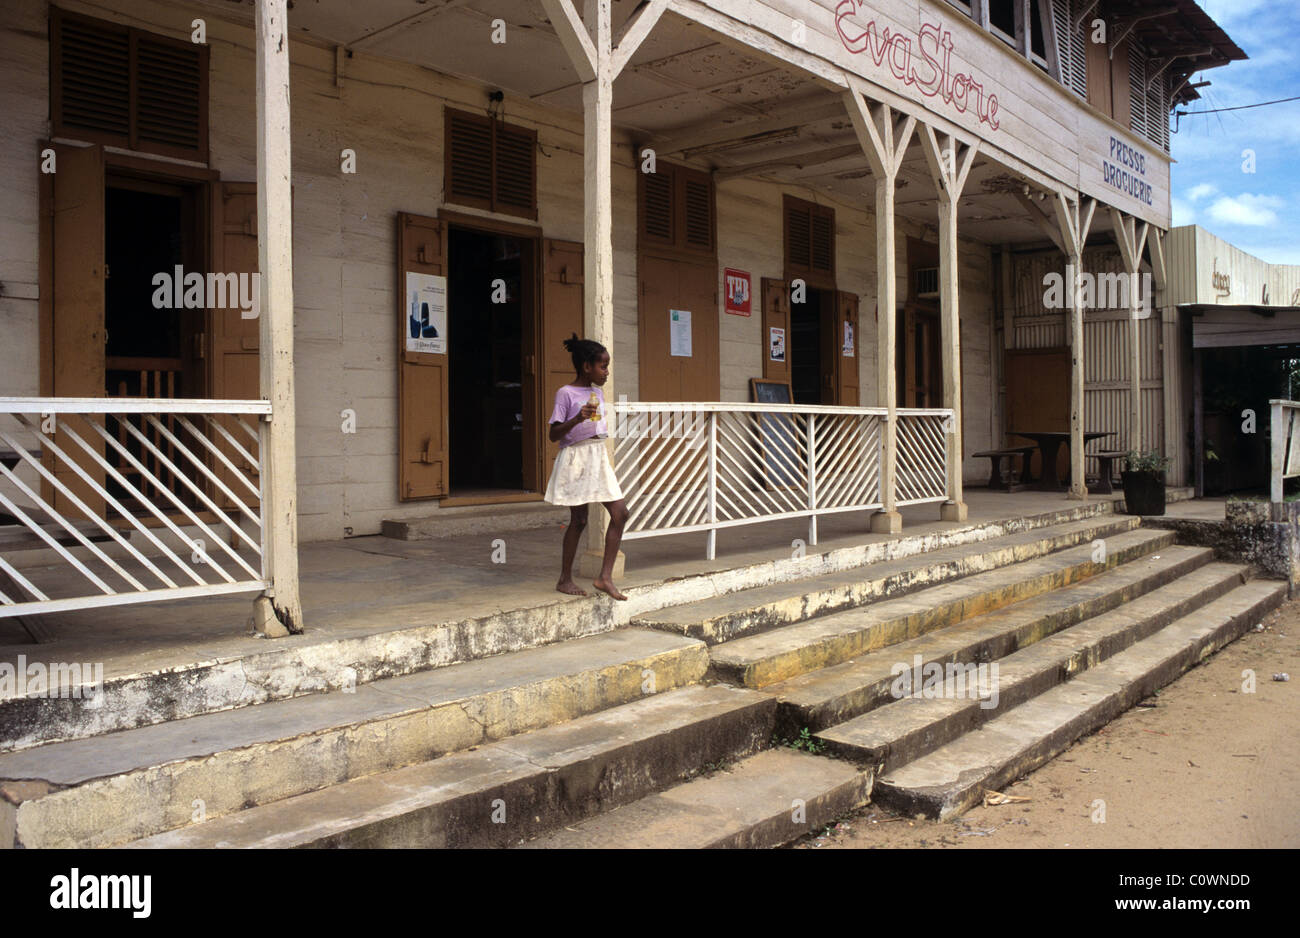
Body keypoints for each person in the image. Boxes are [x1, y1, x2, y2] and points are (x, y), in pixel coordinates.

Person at [544, 333, 630, 600]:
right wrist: (575, 420)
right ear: (586, 367)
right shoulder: (565, 393)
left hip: (597, 455)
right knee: (579, 520)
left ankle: (604, 577)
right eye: (602, 366)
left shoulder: (596, 392)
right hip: (576, 459)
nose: (606, 372)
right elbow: (554, 435)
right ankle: (564, 579)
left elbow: (596, 427)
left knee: (621, 513)